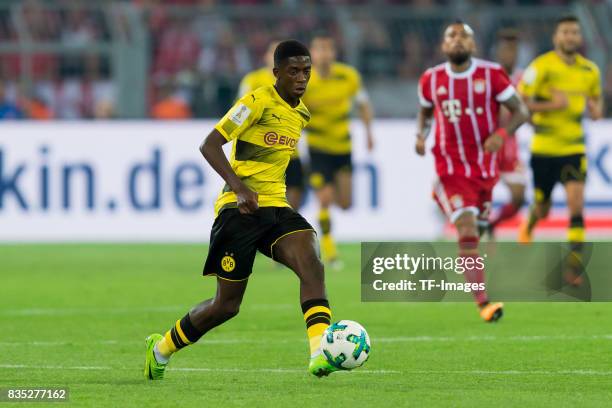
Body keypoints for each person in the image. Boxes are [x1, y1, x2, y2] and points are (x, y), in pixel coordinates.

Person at [144, 40, 339, 380]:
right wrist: (239, 188)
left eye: (306, 71)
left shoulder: (301, 112)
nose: (301, 78)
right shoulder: (256, 101)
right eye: (293, 71)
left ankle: (320, 352)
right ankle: (162, 349)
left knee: (311, 260)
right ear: (276, 72)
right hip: (239, 211)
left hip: (276, 207)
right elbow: (209, 144)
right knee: (226, 306)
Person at [415, 21, 528, 322]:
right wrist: (420, 136)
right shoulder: (431, 79)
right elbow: (426, 112)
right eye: (451, 36)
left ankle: (477, 278)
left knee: (474, 234)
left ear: (473, 45)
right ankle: (484, 303)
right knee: (466, 230)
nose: (457, 41)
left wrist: (502, 137)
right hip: (450, 167)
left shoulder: (491, 74)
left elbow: (521, 111)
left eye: (464, 36)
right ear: (443, 45)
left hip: (484, 170)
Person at [517, 15, 603, 284]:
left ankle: (573, 268)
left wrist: (595, 110)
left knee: (576, 205)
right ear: (556, 37)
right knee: (543, 208)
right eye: (565, 32)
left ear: (580, 38)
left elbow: (597, 105)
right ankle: (531, 221)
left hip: (573, 147)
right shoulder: (541, 67)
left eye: (574, 32)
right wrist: (551, 106)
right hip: (543, 149)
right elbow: (519, 102)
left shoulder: (590, 71)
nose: (570, 37)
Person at [302, 32, 375, 266]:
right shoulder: (305, 80)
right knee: (324, 199)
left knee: (345, 203)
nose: (324, 54)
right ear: (312, 54)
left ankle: (328, 203)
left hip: (343, 146)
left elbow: (363, 104)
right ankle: (329, 247)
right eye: (319, 49)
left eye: (327, 49)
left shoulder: (348, 76)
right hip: (317, 147)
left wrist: (369, 133)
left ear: (334, 53)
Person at [237, 41, 305, 210]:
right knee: (262, 208)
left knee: (292, 207)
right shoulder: (253, 80)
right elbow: (240, 113)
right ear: (266, 57)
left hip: (290, 153)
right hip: (262, 155)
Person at [487, 29, 527, 237]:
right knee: (478, 194)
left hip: (509, 144)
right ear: (499, 52)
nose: (510, 54)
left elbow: (526, 108)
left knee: (519, 197)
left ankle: (492, 223)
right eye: (506, 49)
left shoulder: (523, 78)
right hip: (487, 142)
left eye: (513, 50)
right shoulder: (489, 76)